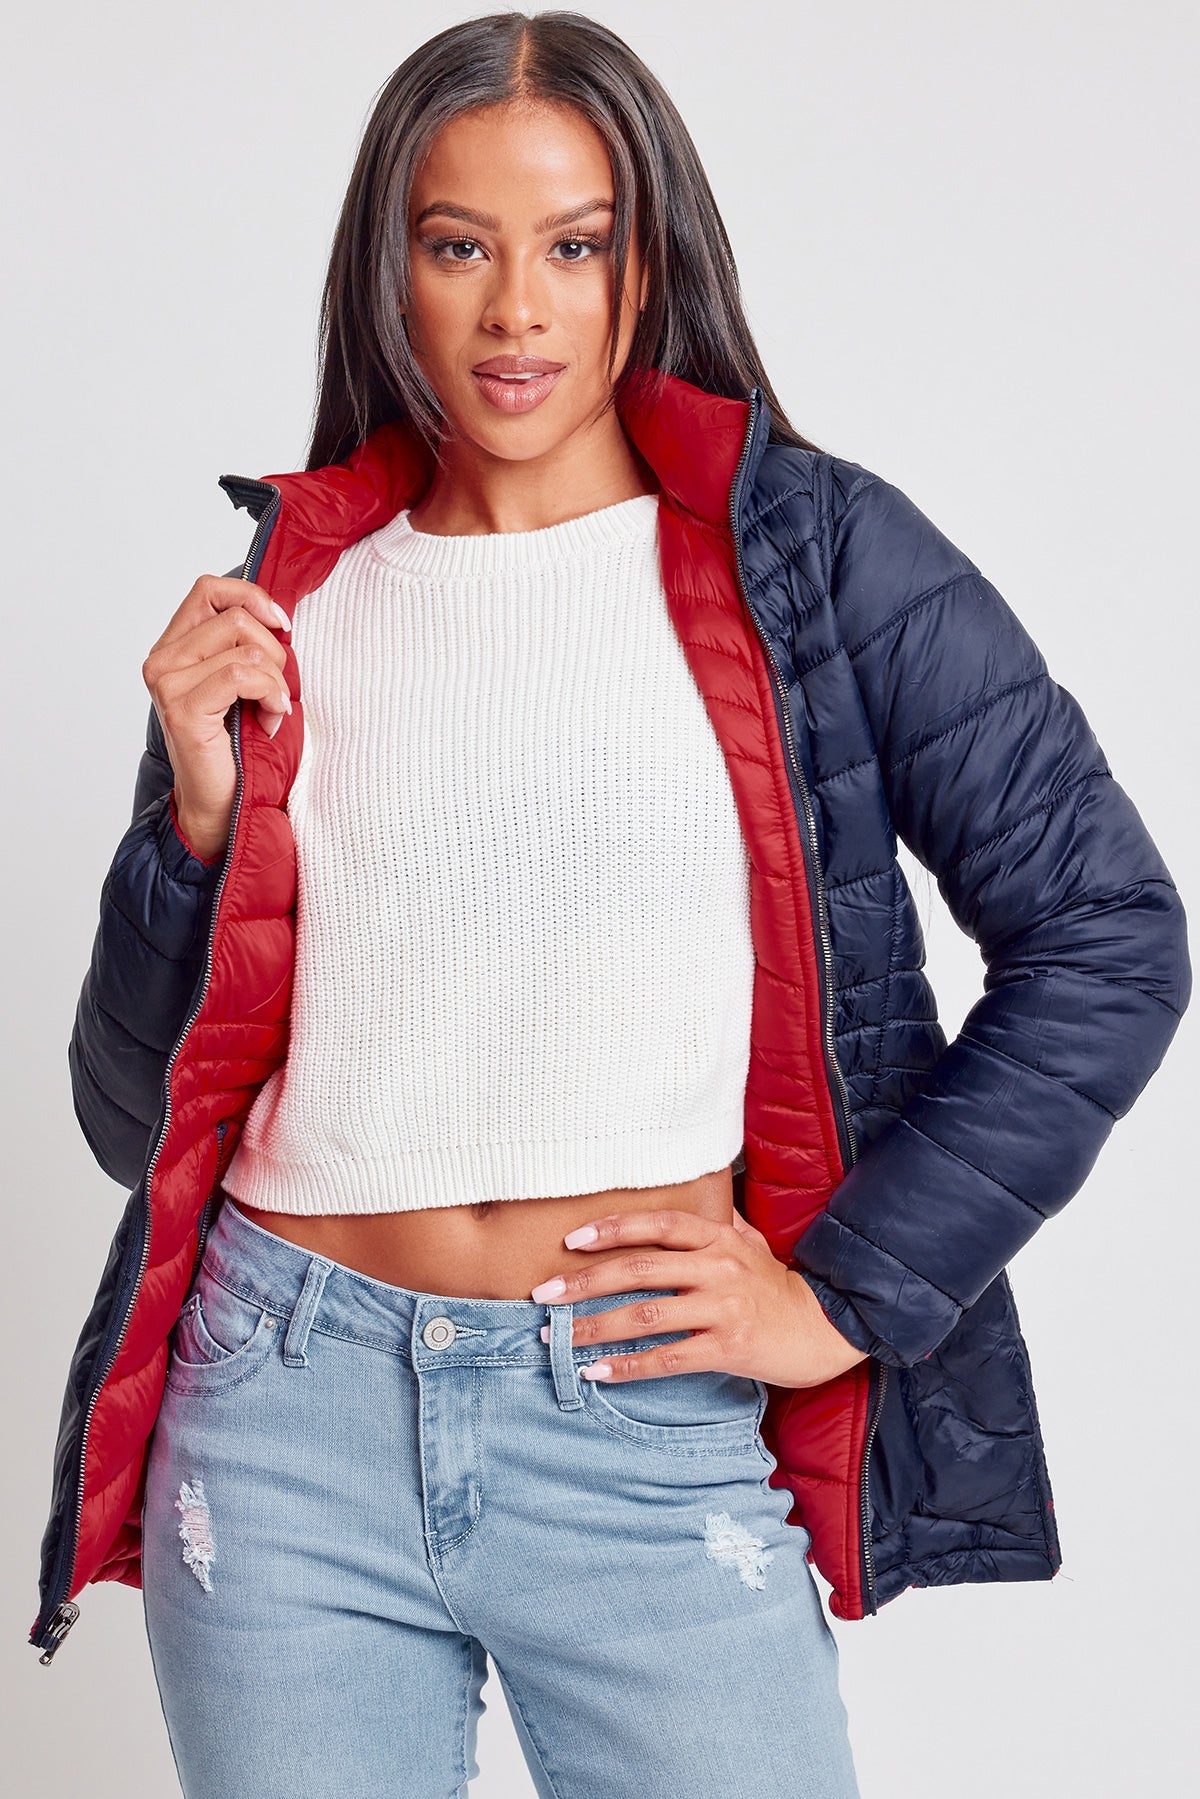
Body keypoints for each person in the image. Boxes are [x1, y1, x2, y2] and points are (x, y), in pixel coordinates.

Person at [30, 11, 1190, 1799]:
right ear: (388, 269)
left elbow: (1108, 931)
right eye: (459, 247)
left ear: (650, 264)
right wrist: (190, 828)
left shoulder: (811, 560)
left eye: (574, 247)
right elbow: (133, 1124)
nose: (517, 311)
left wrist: (840, 1299)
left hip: (639, 1418)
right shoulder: (289, 594)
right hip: (281, 1419)